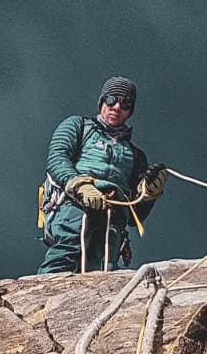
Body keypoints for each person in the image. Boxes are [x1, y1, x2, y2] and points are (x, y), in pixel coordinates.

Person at [38, 76, 169, 274]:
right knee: (69, 246)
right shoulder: (78, 126)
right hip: (75, 203)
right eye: (111, 99)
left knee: (104, 265)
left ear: (130, 111)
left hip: (114, 214)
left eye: (125, 103)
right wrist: (80, 185)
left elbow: (135, 216)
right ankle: (42, 295)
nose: (117, 106)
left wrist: (149, 195)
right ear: (102, 101)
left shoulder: (136, 156)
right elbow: (57, 159)